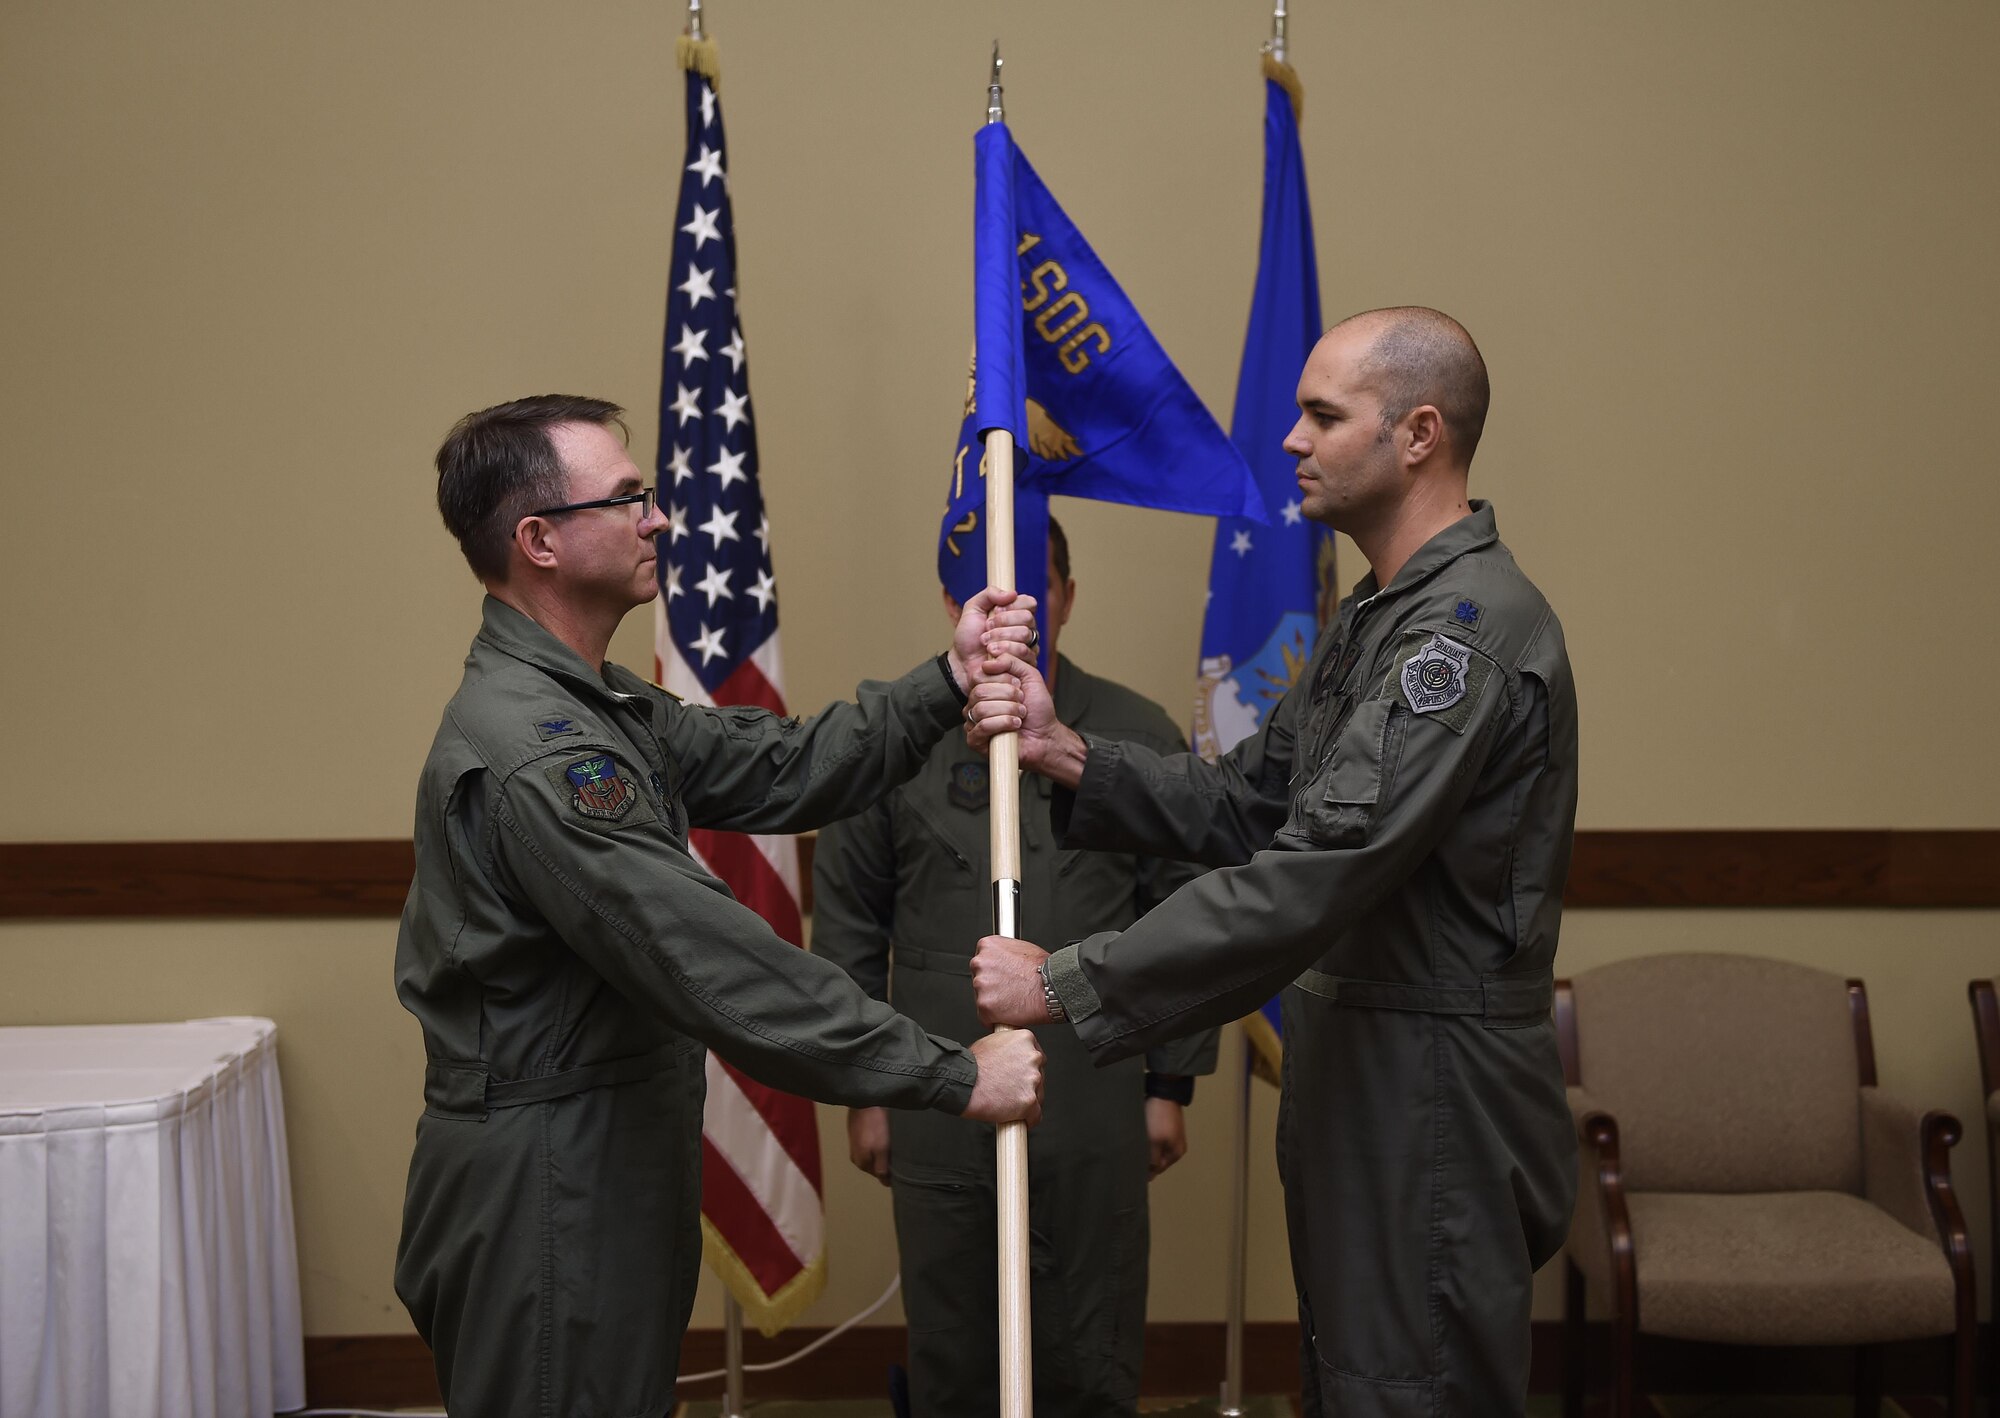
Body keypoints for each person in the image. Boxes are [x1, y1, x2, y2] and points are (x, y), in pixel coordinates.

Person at [966, 309, 1580, 1417]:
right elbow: (1249, 799)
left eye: (1321, 414)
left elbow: (1317, 867)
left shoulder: (1463, 634)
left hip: (1428, 1079)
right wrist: (1065, 751)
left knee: (1407, 1388)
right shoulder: (1371, 622)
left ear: (1417, 434)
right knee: (1353, 1378)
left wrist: (1064, 980)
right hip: (1362, 1061)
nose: (1289, 441)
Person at [393, 394, 1045, 1418]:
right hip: (549, 1178)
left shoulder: (585, 701)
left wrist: (943, 679)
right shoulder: (539, 750)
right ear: (540, 541)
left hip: (598, 1148)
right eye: (627, 497)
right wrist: (951, 1070)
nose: (657, 518)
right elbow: (712, 959)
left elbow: (776, 766)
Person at [814, 518, 1218, 1418]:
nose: (1016, 618)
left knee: (1091, 1339)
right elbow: (846, 924)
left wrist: (1170, 1087)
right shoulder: (895, 734)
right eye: (985, 597)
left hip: (1096, 1092)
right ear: (957, 606)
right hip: (935, 1085)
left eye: (1039, 594)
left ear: (1068, 597)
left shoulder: (1130, 730)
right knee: (954, 1341)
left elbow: (1183, 916)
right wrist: (864, 1093)